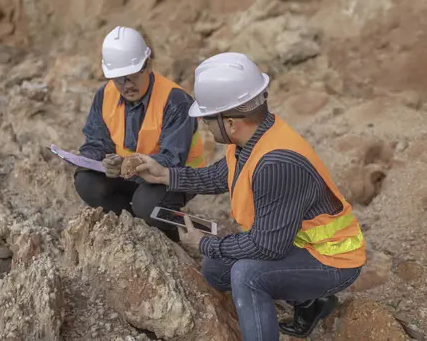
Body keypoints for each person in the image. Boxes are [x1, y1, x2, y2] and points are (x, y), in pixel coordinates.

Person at [133, 52, 366, 340]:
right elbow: (218, 176)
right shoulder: (250, 141)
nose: (204, 125)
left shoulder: (276, 163)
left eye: (207, 118)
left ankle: (304, 301)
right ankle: (310, 301)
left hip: (333, 260)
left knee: (247, 274)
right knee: (216, 270)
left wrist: (205, 242)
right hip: (297, 244)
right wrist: (163, 175)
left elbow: (268, 248)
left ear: (230, 122)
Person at [74, 26, 207, 242]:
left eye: (133, 75)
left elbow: (171, 160)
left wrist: (127, 165)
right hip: (132, 174)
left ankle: (171, 232)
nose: (127, 85)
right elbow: (96, 141)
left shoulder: (175, 101)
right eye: (119, 78)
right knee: (86, 182)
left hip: (175, 176)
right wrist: (95, 160)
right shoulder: (105, 95)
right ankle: (135, 223)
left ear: (148, 65)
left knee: (148, 205)